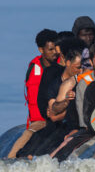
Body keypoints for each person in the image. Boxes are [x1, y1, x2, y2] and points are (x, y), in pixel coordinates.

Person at [16, 38, 85, 158]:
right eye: (78, 67)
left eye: (83, 67)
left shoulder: (83, 81)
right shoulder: (55, 82)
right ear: (67, 62)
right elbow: (53, 116)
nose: (81, 71)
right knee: (32, 146)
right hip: (54, 125)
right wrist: (66, 104)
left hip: (71, 127)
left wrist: (62, 112)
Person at [8, 29, 59, 158]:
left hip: (57, 117)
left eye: (56, 49)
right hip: (39, 120)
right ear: (41, 50)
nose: (55, 53)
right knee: (28, 134)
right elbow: (33, 99)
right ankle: (9, 160)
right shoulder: (34, 68)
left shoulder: (62, 65)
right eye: (50, 49)